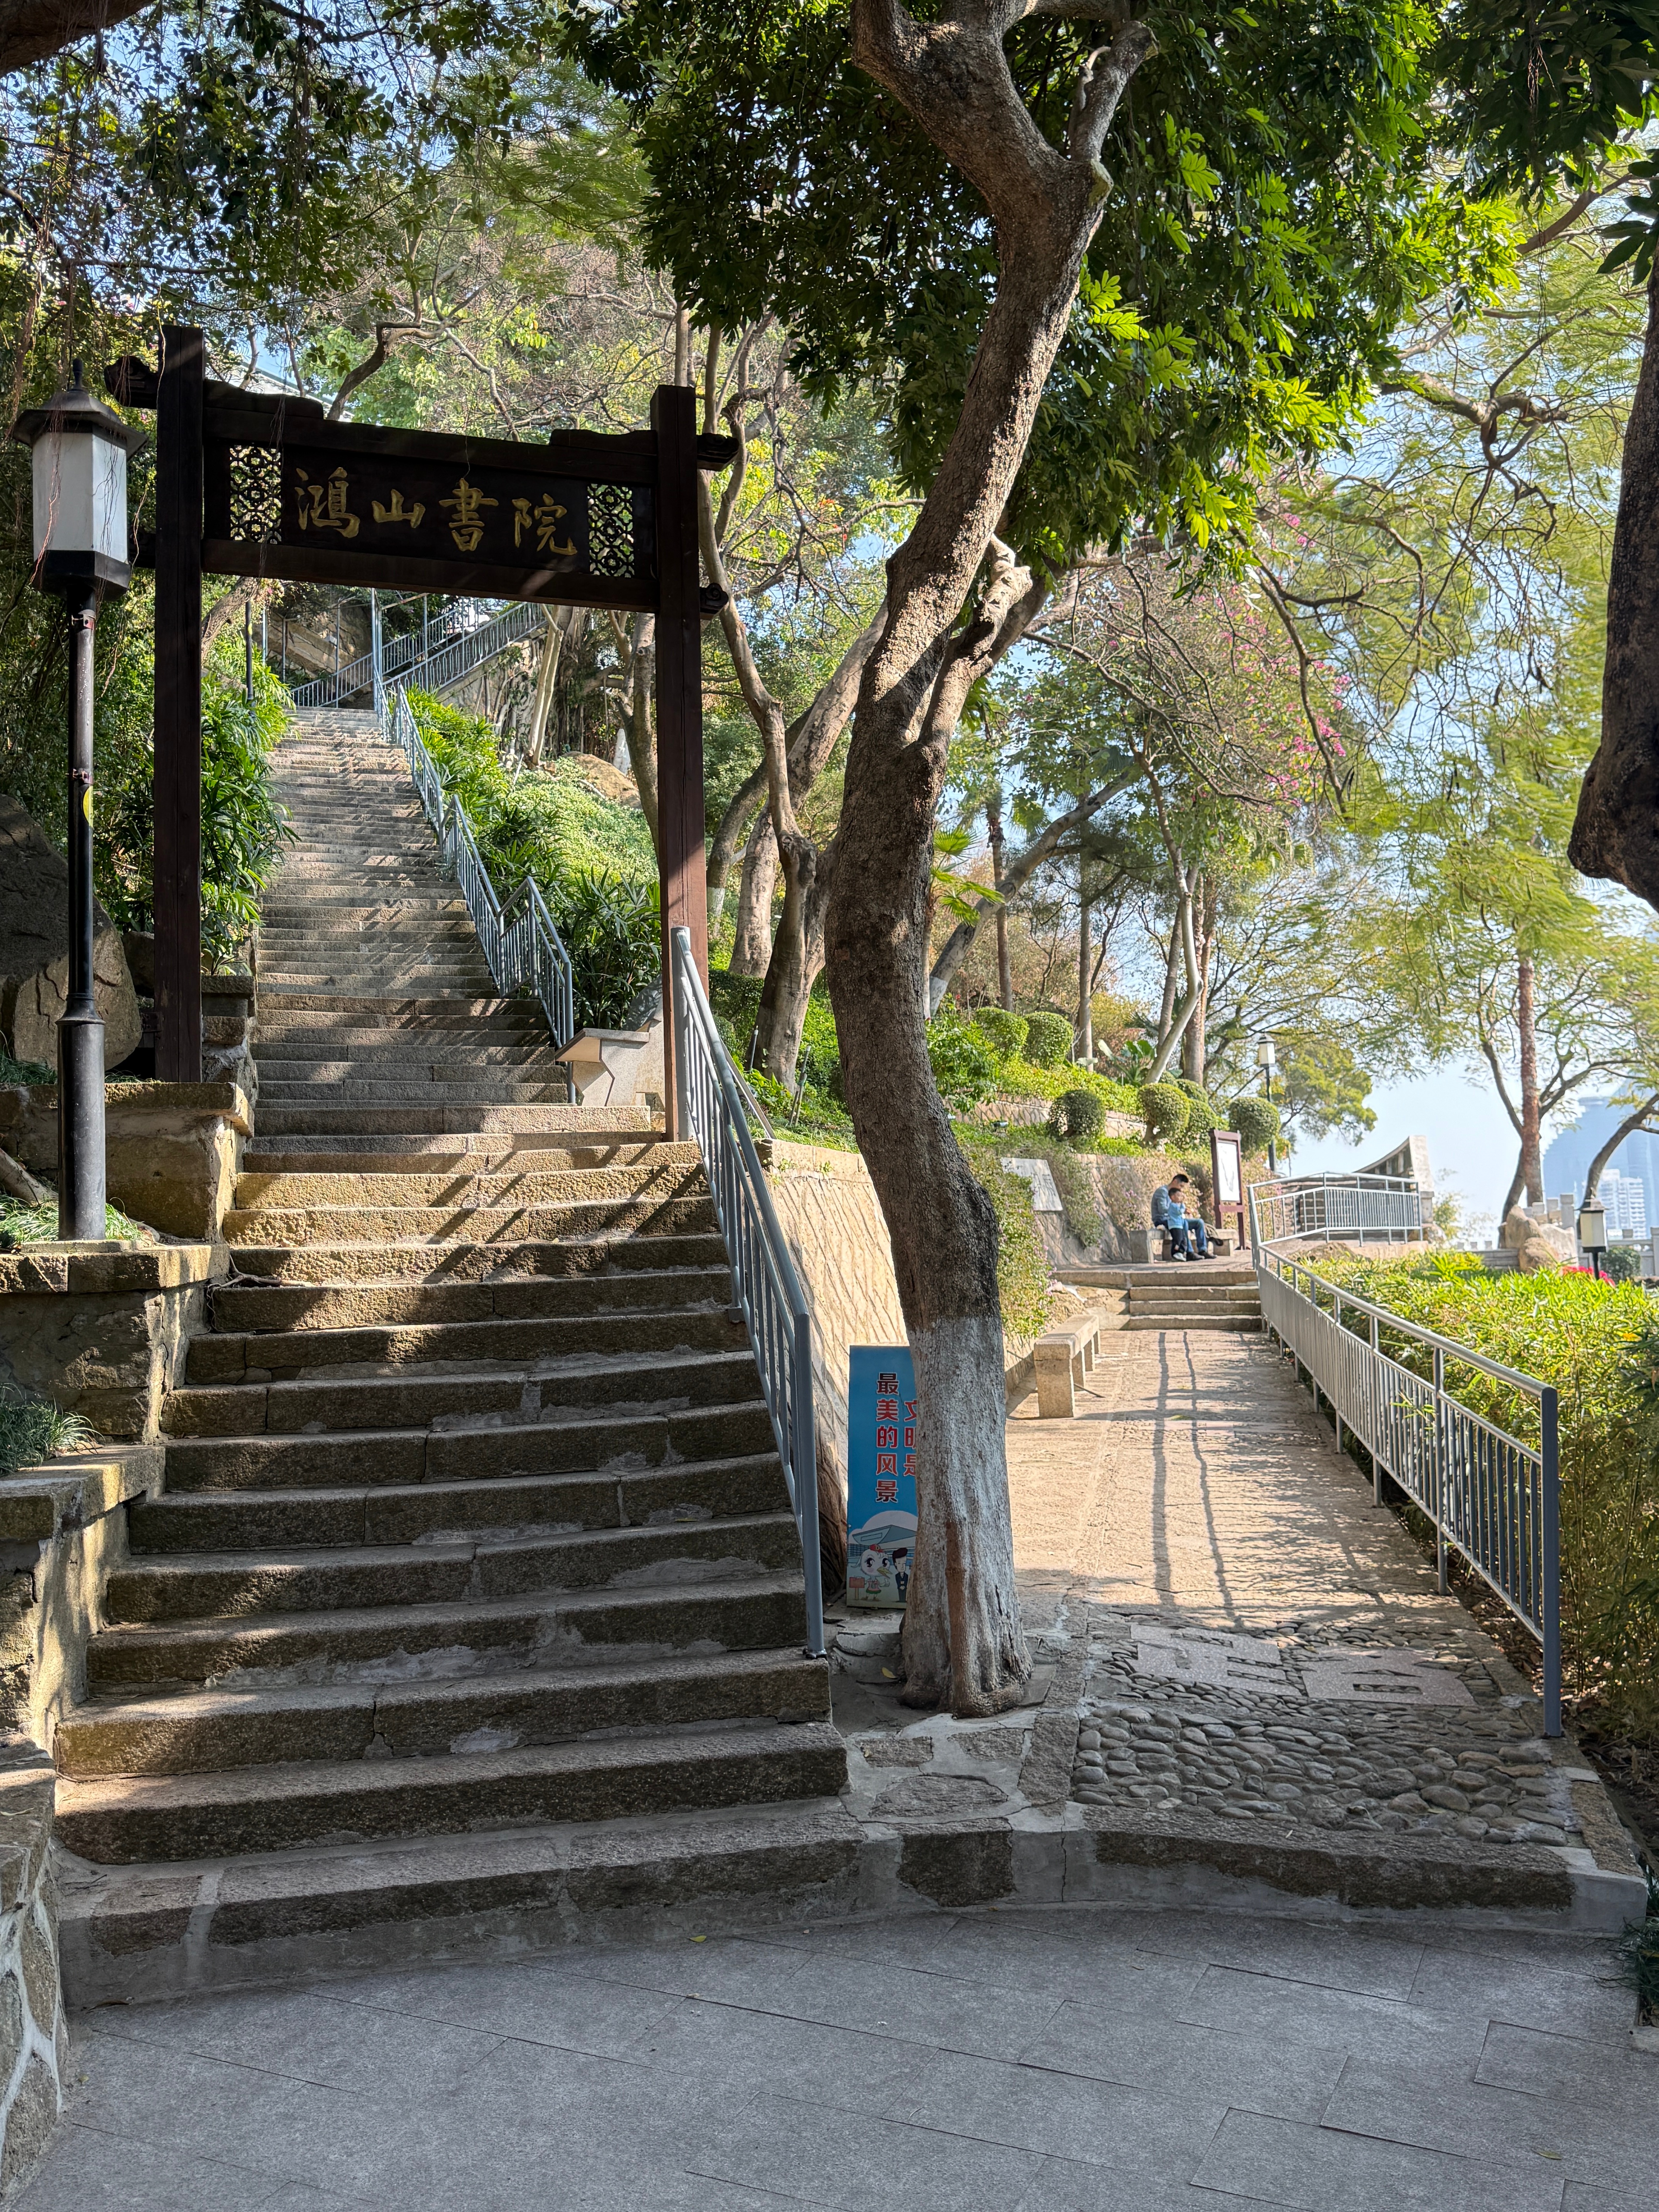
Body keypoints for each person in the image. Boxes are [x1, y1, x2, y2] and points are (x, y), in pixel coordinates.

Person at [1151, 1173, 1209, 1260]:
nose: (1181, 1189)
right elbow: (1162, 1210)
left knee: (1199, 1223)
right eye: (1181, 1186)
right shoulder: (1163, 1192)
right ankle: (1189, 1252)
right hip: (1162, 1219)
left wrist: (1183, 1211)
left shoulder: (1176, 1194)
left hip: (1174, 1219)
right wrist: (1177, 1211)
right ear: (1175, 1182)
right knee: (1184, 1223)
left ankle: (1203, 1250)